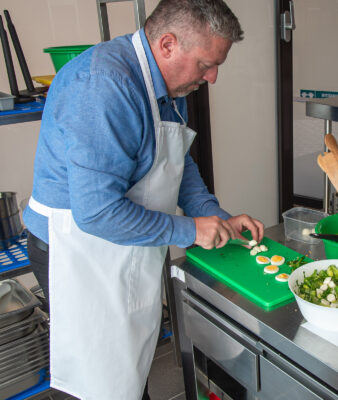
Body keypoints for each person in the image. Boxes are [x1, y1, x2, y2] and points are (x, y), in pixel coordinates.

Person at [22, 0, 264, 399]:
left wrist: (213, 215)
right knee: (98, 379)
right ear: (167, 45)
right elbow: (98, 213)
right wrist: (190, 230)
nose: (213, 77)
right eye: (206, 64)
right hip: (78, 250)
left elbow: (176, 160)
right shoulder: (104, 86)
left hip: (124, 243)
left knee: (128, 364)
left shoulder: (169, 84)